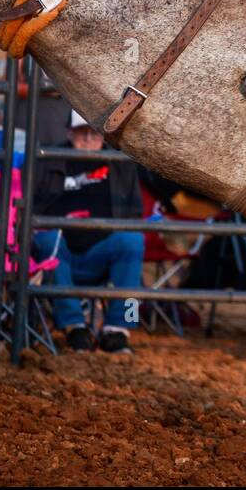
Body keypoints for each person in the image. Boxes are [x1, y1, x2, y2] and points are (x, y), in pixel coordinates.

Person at [33, 111, 144, 353]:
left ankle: (121, 327)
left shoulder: (120, 163)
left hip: (101, 250)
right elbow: (32, 208)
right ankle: (74, 326)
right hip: (60, 251)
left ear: (104, 133)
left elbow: (136, 213)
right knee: (48, 239)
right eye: (81, 131)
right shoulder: (48, 158)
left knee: (133, 241)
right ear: (69, 132)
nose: (88, 137)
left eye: (94, 130)